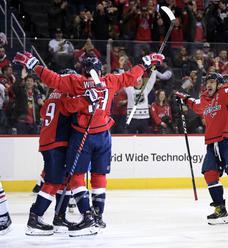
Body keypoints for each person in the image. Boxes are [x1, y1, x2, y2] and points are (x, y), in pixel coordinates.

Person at [14, 51, 164, 236]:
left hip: (82, 135)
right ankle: (96, 217)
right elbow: (130, 77)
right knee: (97, 176)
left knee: (74, 176)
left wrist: (35, 64)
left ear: (81, 70)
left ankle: (86, 216)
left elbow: (53, 80)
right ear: (100, 70)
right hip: (103, 135)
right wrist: (144, 63)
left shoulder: (75, 82)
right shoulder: (110, 80)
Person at [175, 66, 228, 225]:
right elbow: (197, 105)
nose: (209, 85)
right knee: (210, 174)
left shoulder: (225, 93)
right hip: (212, 142)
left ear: (218, 84)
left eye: (212, 82)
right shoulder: (205, 99)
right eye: (207, 82)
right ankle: (220, 210)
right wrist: (184, 98)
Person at [25, 69, 88, 236]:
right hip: (56, 142)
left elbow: (43, 113)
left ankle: (60, 217)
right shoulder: (65, 94)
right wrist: (87, 99)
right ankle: (35, 218)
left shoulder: (52, 95)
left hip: (50, 142)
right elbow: (72, 108)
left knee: (63, 180)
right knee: (53, 182)